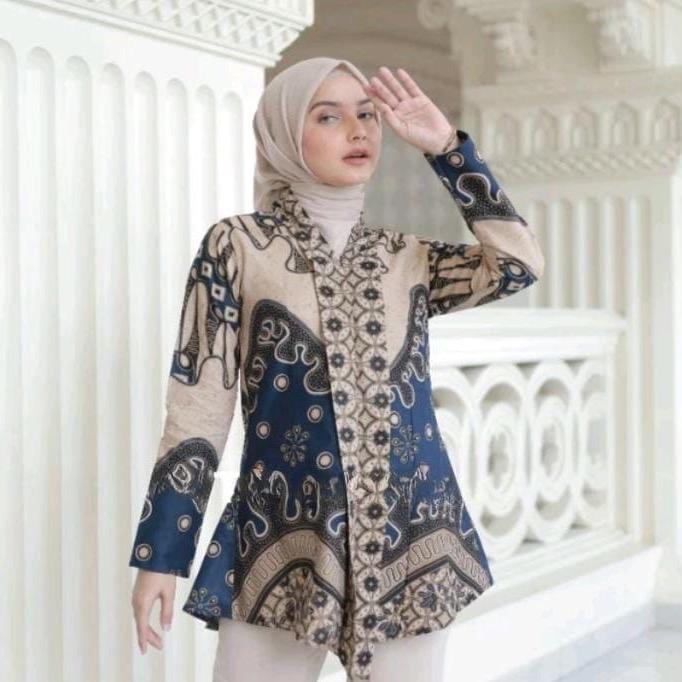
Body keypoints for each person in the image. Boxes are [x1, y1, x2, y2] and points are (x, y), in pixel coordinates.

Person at [129, 57, 545, 682]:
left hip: (413, 536)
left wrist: (447, 151)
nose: (358, 130)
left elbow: (518, 265)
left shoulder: (406, 257)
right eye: (328, 117)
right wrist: (161, 554)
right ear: (283, 134)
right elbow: (197, 408)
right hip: (279, 535)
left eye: (367, 114)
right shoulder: (237, 246)